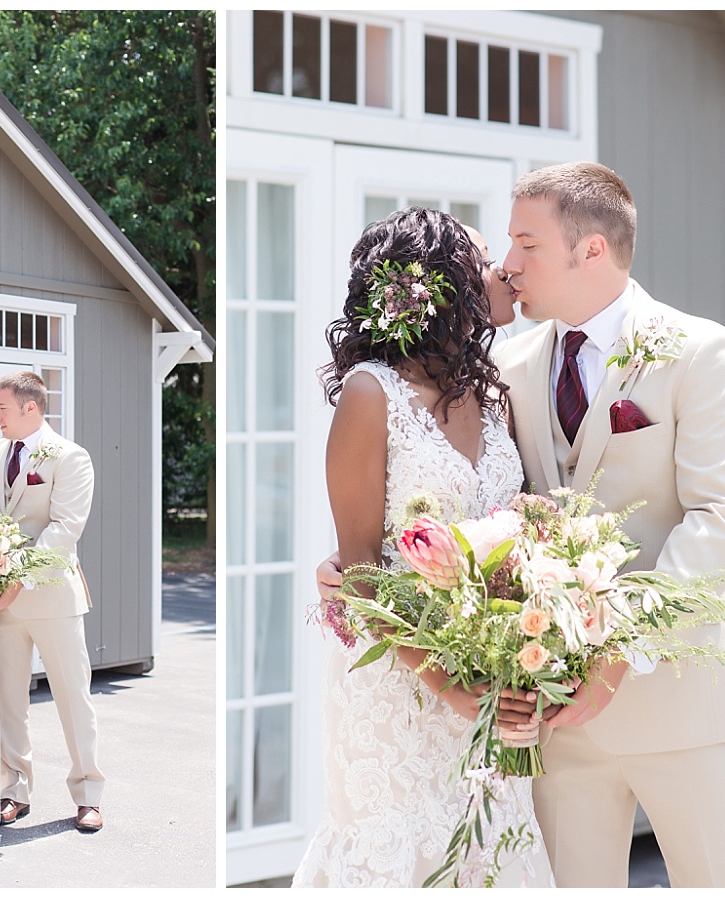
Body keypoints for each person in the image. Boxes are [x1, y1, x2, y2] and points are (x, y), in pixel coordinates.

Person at [492, 162, 725, 887]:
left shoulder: (706, 354)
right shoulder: (513, 365)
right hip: (558, 716)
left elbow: (722, 521)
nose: (508, 264)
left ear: (592, 251)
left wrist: (620, 653)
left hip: (687, 707)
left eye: (528, 244)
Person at [292, 208, 555, 887]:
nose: (502, 271)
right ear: (442, 284)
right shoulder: (370, 394)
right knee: (401, 854)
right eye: (484, 258)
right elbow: (358, 574)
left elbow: (513, 537)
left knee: (490, 852)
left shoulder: (493, 398)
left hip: (485, 672)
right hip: (393, 680)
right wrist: (449, 684)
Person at [0, 371, 105, 833]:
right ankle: (14, 791)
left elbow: (64, 531)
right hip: (3, 604)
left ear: (31, 408)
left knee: (73, 698)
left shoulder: (71, 457)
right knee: (9, 701)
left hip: (52, 597)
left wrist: (16, 578)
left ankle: (88, 793)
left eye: (1, 408)